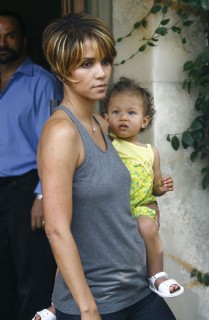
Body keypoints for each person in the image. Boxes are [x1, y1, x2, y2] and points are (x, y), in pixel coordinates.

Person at [35, 12, 177, 320]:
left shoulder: (102, 124)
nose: (101, 73)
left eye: (105, 61)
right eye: (87, 64)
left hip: (137, 289)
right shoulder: (61, 132)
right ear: (62, 69)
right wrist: (87, 310)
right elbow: (57, 229)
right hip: (98, 302)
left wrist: (151, 203)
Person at [0, 10, 62, 320]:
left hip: (26, 188)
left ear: (24, 41)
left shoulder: (42, 82)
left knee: (31, 275)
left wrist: (42, 195)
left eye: (9, 35)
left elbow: (52, 145)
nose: (2, 42)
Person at [103, 76, 184, 299]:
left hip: (139, 207)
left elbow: (154, 186)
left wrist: (162, 186)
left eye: (131, 113)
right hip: (113, 209)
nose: (122, 118)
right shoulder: (108, 144)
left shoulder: (151, 152)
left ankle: (157, 274)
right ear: (106, 117)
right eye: (115, 112)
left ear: (145, 121)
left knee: (148, 226)